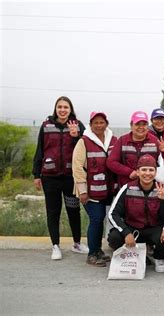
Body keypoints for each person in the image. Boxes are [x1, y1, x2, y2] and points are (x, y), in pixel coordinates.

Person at [32, 96, 88, 260]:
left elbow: (86, 147)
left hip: (71, 178)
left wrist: (76, 135)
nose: (63, 110)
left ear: (70, 109)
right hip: (50, 178)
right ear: (55, 109)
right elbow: (40, 150)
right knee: (53, 212)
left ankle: (77, 243)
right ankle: (55, 246)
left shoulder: (77, 125)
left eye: (66, 107)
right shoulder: (46, 126)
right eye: (60, 107)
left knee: (73, 211)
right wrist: (36, 174)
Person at [107, 154, 164, 273]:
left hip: (153, 228)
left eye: (151, 170)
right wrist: (126, 233)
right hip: (132, 228)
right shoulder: (127, 188)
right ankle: (135, 255)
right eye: (144, 170)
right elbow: (113, 214)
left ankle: (159, 257)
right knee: (114, 237)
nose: (147, 173)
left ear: (156, 172)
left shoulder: (162, 188)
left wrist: (163, 201)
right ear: (137, 172)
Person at [72, 111, 117, 267]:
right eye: (95, 122)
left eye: (101, 122)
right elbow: (77, 167)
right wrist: (82, 190)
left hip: (107, 189)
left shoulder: (113, 140)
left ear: (106, 124)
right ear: (90, 125)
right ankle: (92, 254)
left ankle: (98, 251)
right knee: (96, 219)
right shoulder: (83, 142)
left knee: (102, 220)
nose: (99, 125)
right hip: (89, 191)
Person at [107, 111, 164, 187]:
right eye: (137, 124)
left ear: (148, 126)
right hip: (127, 186)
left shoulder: (154, 140)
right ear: (131, 125)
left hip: (150, 187)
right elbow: (111, 162)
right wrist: (129, 172)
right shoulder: (122, 140)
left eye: (144, 124)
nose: (141, 127)